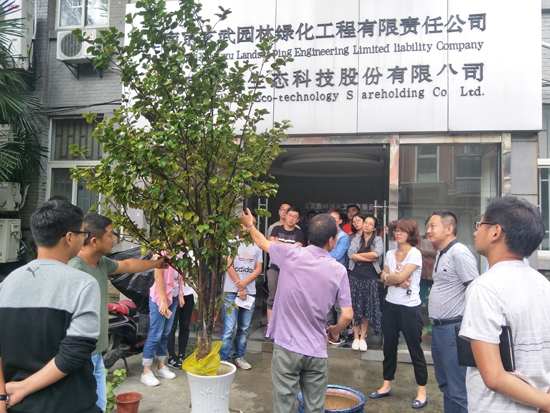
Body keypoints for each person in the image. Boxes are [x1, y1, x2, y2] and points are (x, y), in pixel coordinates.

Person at [242, 210, 353, 413]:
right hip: (316, 350)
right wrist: (335, 330)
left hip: (287, 346)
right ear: (331, 240)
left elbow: (261, 242)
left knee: (283, 406)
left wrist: (250, 225)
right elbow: (347, 315)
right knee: (315, 407)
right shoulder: (339, 270)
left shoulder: (290, 253)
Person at [0, 200, 101, 413]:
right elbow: (74, 353)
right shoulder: (83, 284)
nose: (83, 239)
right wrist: (22, 389)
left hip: (17, 406)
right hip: (69, 404)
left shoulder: (7, 283)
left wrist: (2, 397)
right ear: (69, 237)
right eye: (83, 234)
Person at [460, 197, 550, 412]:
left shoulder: (484, 287)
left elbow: (494, 378)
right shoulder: (544, 284)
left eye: (480, 225)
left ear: (495, 232)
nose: (475, 232)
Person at [69, 214, 167, 410]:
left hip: (97, 353)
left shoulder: (102, 263)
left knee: (99, 405)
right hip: (80, 356)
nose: (114, 239)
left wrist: (156, 264)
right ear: (94, 241)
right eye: (110, 234)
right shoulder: (73, 270)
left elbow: (128, 265)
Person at [372, 218, 428, 409]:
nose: (397, 233)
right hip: (390, 305)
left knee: (414, 349)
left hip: (409, 308)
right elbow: (385, 278)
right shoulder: (390, 253)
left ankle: (422, 391)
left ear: (411, 233)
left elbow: (397, 277)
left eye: (402, 231)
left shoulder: (415, 254)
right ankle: (386, 385)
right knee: (389, 348)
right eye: (396, 230)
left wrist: (390, 278)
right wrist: (394, 280)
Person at [426, 210, 479, 413]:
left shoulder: (460, 253)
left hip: (454, 330)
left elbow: (474, 291)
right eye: (428, 226)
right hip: (439, 329)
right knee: (445, 384)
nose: (428, 230)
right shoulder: (442, 252)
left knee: (459, 389)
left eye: (433, 226)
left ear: (449, 228)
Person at [220, 214, 263, 370]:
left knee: (244, 328)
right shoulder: (231, 243)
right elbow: (228, 265)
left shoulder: (257, 245)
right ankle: (224, 359)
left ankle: (239, 356)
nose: (250, 226)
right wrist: (241, 286)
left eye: (253, 224)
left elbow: (258, 268)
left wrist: (245, 284)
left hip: (249, 292)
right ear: (241, 225)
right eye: (248, 223)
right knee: (229, 328)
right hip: (231, 291)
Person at [140, 251, 184, 386]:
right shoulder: (160, 252)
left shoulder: (180, 253)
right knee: (155, 334)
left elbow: (180, 276)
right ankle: (146, 371)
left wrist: (181, 294)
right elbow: (158, 277)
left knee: (165, 333)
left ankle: (160, 366)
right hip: (159, 299)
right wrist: (163, 301)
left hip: (173, 297)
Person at [265, 206, 305, 334]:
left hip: (291, 270)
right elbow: (271, 244)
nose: (291, 219)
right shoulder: (276, 229)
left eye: (295, 217)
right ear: (285, 215)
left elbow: (298, 248)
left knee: (289, 298)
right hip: (275, 268)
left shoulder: (299, 233)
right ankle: (270, 327)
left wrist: (279, 244)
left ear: (298, 220)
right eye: (290, 215)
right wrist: (290, 246)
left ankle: (285, 327)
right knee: (272, 297)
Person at [347, 215, 383, 351]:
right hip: (355, 276)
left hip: (370, 278)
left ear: (374, 228)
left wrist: (359, 256)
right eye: (366, 223)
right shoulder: (356, 239)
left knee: (367, 308)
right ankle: (356, 337)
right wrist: (368, 257)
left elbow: (376, 254)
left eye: (370, 224)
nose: (367, 225)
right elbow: (351, 255)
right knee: (355, 307)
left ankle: (363, 337)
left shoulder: (378, 240)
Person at [326, 208, 351, 346]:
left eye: (334, 218)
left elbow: (337, 255)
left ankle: (340, 334)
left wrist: (320, 254)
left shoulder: (343, 237)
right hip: (324, 273)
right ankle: (327, 332)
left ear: (340, 221)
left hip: (337, 275)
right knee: (327, 306)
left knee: (338, 306)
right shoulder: (324, 233)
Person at [166, 282, 195, 370]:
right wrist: (180, 293)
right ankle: (171, 356)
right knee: (172, 326)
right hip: (174, 294)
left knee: (185, 325)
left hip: (189, 293)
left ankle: (182, 354)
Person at [418, 218, 437, 306]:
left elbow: (440, 253)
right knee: (418, 300)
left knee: (436, 301)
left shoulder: (439, 240)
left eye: (433, 226)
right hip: (422, 275)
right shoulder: (419, 239)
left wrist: (425, 251)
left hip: (435, 275)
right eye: (428, 225)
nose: (430, 228)